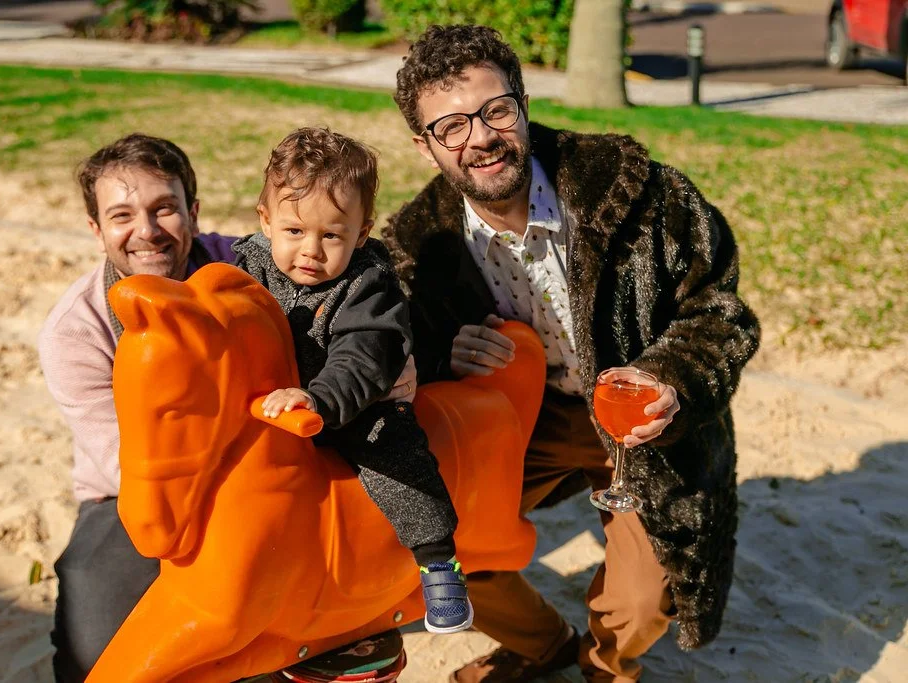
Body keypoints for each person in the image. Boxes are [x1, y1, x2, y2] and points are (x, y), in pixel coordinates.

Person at [382, 25, 761, 683]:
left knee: (643, 601)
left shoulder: (639, 192)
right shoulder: (419, 248)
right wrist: (443, 355)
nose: (480, 137)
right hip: (522, 423)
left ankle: (603, 662)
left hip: (644, 426)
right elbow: (394, 354)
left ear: (523, 104)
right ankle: (542, 644)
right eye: (451, 126)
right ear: (425, 145)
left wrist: (670, 379)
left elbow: (720, 313)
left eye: (496, 110)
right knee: (427, 537)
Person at [37, 132, 418, 681]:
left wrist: (396, 361)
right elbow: (126, 460)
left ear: (192, 212)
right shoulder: (75, 332)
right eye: (121, 215)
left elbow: (354, 311)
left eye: (163, 208)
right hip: (139, 492)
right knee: (95, 652)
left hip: (276, 466)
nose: (146, 231)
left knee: (281, 609)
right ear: (96, 229)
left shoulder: (250, 269)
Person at [231, 127, 472, 635]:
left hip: (354, 402)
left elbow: (362, 357)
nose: (311, 251)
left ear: (361, 234)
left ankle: (437, 559)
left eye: (331, 236)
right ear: (266, 220)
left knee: (395, 457)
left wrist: (318, 398)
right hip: (272, 401)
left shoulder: (367, 285)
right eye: (294, 231)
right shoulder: (248, 264)